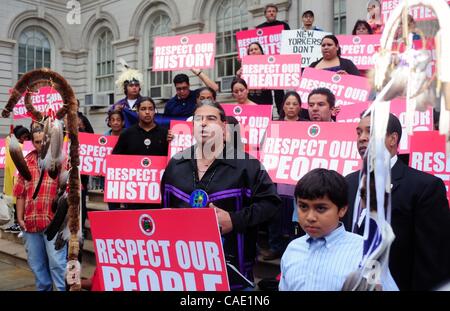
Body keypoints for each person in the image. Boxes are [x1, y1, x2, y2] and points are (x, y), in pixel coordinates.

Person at [161, 101, 281, 290]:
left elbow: (271, 205)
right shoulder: (175, 165)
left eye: (211, 118)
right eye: (198, 119)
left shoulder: (248, 166)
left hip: (233, 273)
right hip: (183, 271)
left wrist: (235, 219)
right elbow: (164, 211)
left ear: (224, 127)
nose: (203, 123)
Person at [344, 112, 450, 290]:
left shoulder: (425, 187)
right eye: (358, 132)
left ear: (393, 139)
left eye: (370, 132)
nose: (362, 138)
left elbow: (432, 260)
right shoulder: (349, 182)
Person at [279, 168, 364, 291]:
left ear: (342, 209)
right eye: (303, 206)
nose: (310, 217)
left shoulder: (363, 251)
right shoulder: (293, 248)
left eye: (321, 208)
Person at [13, 126, 67, 291]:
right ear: (32, 142)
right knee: (37, 266)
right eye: (37, 142)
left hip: (54, 224)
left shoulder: (61, 160)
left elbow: (69, 193)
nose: (41, 145)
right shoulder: (26, 161)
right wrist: (20, 218)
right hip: (31, 223)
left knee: (57, 264)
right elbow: (20, 193)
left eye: (43, 141)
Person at [112, 97, 169, 210]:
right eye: (143, 109)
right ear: (137, 112)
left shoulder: (165, 134)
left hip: (158, 191)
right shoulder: (127, 134)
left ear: (154, 111)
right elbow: (116, 160)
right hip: (134, 192)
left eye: (150, 109)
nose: (147, 112)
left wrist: (173, 141)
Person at [236, 42, 285, 115]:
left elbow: (278, 91)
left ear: (261, 52)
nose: (253, 51)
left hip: (265, 102)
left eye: (256, 49)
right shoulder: (244, 68)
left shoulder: (269, 66)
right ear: (248, 54)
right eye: (251, 50)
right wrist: (238, 76)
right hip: (250, 102)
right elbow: (239, 87)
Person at [2, 125, 31, 233]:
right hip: (17, 179)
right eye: (23, 137)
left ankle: (19, 223)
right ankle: (17, 222)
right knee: (18, 202)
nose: (25, 140)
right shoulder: (18, 147)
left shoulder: (12, 144)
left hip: (23, 180)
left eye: (27, 137)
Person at [110, 64, 144, 128]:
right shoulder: (119, 104)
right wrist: (114, 112)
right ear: (125, 88)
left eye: (136, 85)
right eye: (131, 86)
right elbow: (109, 122)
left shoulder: (146, 103)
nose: (134, 88)